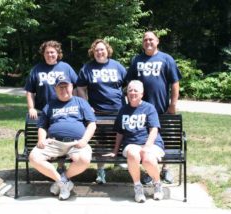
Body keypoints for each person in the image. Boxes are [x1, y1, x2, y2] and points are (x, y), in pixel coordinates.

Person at [126, 31, 182, 184]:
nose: (148, 42)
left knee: (166, 139)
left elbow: (175, 83)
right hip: (141, 110)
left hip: (161, 108)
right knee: (145, 140)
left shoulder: (166, 59)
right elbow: (130, 82)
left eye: (151, 39)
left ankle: (165, 169)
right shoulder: (136, 60)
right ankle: (149, 172)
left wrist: (173, 104)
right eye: (145, 40)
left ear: (157, 41)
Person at [29, 75, 96, 200]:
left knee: (84, 159)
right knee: (34, 158)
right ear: (55, 88)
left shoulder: (81, 102)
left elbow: (92, 124)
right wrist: (41, 139)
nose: (63, 89)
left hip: (76, 143)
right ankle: (63, 183)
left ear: (71, 87)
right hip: (54, 142)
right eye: (60, 86)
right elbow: (42, 126)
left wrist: (84, 140)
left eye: (66, 86)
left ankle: (61, 181)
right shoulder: (50, 105)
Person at [104, 80, 165, 203]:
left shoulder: (149, 108)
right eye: (130, 90)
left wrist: (147, 146)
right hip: (131, 144)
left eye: (135, 90)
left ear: (142, 93)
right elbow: (120, 133)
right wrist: (115, 151)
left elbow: (154, 130)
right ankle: (138, 187)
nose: (132, 93)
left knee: (147, 157)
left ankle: (157, 184)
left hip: (151, 143)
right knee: (132, 153)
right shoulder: (123, 110)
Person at [76, 39, 127, 184]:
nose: (99, 52)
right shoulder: (87, 68)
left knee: (119, 136)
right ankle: (101, 170)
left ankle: (118, 160)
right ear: (93, 52)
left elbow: (127, 84)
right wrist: (86, 105)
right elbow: (80, 87)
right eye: (97, 50)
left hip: (118, 110)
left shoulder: (117, 66)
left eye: (102, 49)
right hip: (97, 111)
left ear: (107, 50)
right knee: (101, 141)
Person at [25, 40, 78, 174]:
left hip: (63, 110)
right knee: (48, 141)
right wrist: (31, 108)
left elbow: (76, 87)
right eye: (47, 52)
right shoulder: (36, 69)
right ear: (43, 54)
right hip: (44, 110)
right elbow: (30, 91)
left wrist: (78, 104)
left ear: (58, 53)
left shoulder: (65, 67)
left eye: (52, 52)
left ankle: (61, 167)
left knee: (60, 136)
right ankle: (49, 168)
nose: (50, 55)